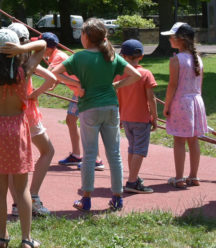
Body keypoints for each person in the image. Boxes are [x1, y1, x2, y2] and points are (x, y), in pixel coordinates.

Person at [0, 29, 56, 248]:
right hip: (17, 127)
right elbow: (42, 45)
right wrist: (23, 48)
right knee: (22, 187)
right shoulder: (24, 70)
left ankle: (2, 237)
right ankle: (26, 239)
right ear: (15, 49)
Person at [51, 18, 141, 212]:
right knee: (114, 154)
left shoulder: (79, 57)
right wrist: (117, 85)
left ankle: (86, 198)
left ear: (85, 36)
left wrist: (76, 85)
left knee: (89, 155)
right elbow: (136, 75)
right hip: (111, 107)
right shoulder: (112, 56)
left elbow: (54, 72)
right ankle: (117, 198)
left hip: (89, 108)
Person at [6, 23, 55, 217]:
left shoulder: (1, 62)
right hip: (28, 114)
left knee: (11, 162)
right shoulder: (27, 62)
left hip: (8, 113)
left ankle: (17, 204)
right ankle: (33, 196)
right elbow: (51, 78)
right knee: (47, 150)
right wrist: (35, 93)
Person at [44, 32, 105, 171]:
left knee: (87, 124)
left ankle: (97, 159)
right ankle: (77, 154)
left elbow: (50, 73)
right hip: (78, 92)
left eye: (40, 47)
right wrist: (54, 84)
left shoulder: (58, 57)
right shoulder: (55, 55)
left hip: (84, 91)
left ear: (48, 48)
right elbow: (60, 75)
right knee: (71, 120)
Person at [161, 22, 207, 189]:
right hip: (196, 102)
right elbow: (199, 85)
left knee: (179, 141)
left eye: (172, 37)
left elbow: (172, 85)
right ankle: (193, 176)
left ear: (180, 39)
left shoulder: (176, 60)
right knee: (193, 140)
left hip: (181, 103)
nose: (170, 39)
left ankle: (179, 178)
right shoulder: (199, 59)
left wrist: (166, 106)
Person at [115, 39, 158, 193]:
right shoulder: (146, 73)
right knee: (139, 149)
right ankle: (132, 182)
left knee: (132, 148)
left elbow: (116, 96)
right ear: (141, 56)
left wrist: (119, 115)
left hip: (126, 117)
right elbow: (151, 98)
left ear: (123, 56)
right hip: (141, 118)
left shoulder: (119, 74)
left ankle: (133, 176)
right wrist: (155, 117)